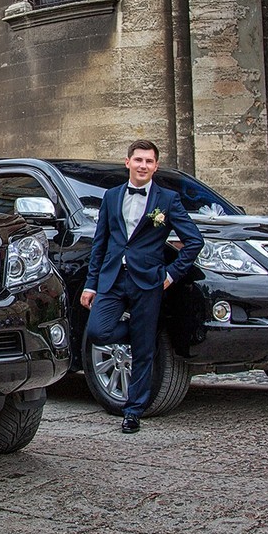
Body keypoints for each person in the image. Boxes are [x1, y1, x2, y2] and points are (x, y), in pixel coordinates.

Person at [80, 138, 204, 433]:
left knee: (144, 350)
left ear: (155, 166)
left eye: (149, 161)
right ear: (128, 163)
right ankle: (141, 334)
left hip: (149, 282)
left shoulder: (168, 199)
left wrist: (171, 274)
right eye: (138, 160)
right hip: (113, 278)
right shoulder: (111, 196)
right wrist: (91, 284)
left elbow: (194, 241)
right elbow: (100, 244)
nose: (143, 166)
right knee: (99, 331)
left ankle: (133, 411)